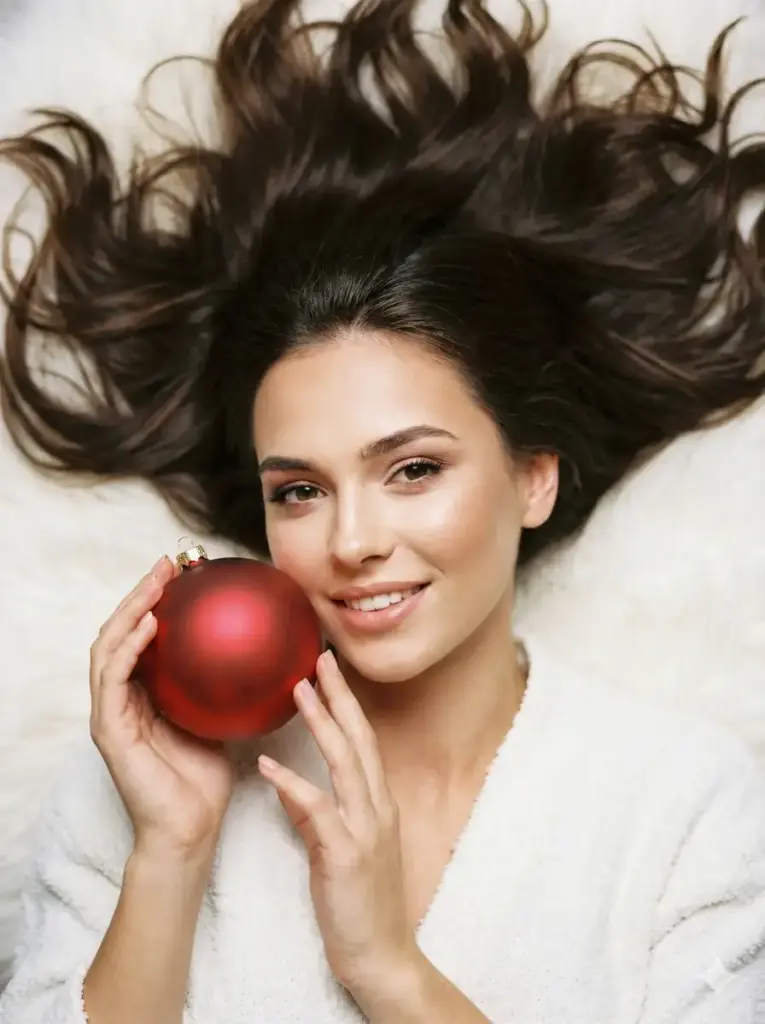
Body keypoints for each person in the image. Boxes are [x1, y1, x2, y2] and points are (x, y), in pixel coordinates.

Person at [1, 0, 765, 1021]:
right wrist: (173, 852)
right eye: (300, 491)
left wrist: (388, 968)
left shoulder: (682, 806)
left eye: (412, 469)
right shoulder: (143, 781)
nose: (352, 542)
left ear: (534, 475)